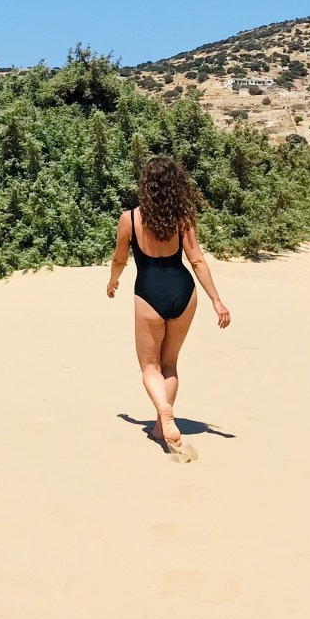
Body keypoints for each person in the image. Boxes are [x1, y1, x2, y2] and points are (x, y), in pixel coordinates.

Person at [106, 155, 230, 455]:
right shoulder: (182, 219)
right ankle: (162, 428)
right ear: (176, 185)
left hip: (148, 292)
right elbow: (197, 260)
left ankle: (163, 410)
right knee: (170, 363)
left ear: (145, 186)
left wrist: (113, 280)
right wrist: (217, 300)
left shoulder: (130, 218)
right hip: (184, 292)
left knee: (149, 366)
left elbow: (120, 258)